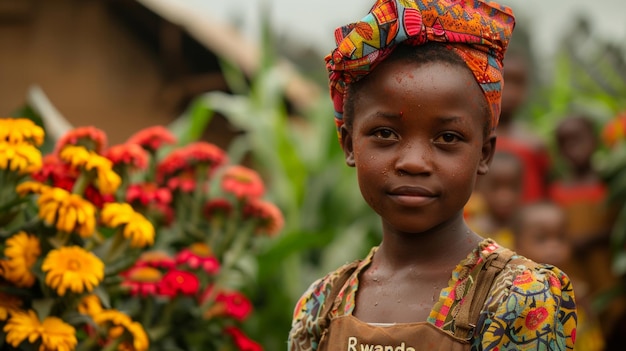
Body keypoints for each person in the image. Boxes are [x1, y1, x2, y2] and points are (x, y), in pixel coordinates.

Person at [288, 1, 577, 350]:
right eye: (385, 133)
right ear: (349, 145)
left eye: (447, 138)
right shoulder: (321, 304)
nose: (413, 162)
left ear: (484, 153)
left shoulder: (519, 297)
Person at [548, 114, 623, 341]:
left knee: (616, 317)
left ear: (594, 140)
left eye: (579, 140)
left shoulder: (611, 184)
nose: (574, 149)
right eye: (566, 144)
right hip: (575, 269)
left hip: (607, 267)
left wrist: (590, 239)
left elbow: (619, 227)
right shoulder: (556, 191)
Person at [512, 201, 604, 351]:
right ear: (517, 244)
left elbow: (592, 334)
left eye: (561, 238)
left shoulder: (577, 290)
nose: (553, 246)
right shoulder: (514, 291)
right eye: (541, 239)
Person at [495, 37, 551, 204]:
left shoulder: (534, 145)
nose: (510, 92)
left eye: (518, 83)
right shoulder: (474, 141)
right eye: (503, 81)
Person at [468, 151, 524, 250]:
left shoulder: (526, 227)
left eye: (513, 187)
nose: (505, 197)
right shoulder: (470, 229)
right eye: (495, 187)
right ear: (478, 186)